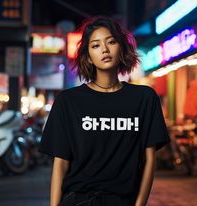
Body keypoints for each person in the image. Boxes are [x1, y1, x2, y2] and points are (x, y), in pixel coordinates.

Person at [38, 16, 171, 206]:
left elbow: (149, 159)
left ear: (122, 47)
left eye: (111, 42)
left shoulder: (144, 99)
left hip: (123, 200)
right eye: (96, 45)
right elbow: (61, 164)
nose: (105, 50)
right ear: (88, 55)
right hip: (78, 201)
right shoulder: (68, 102)